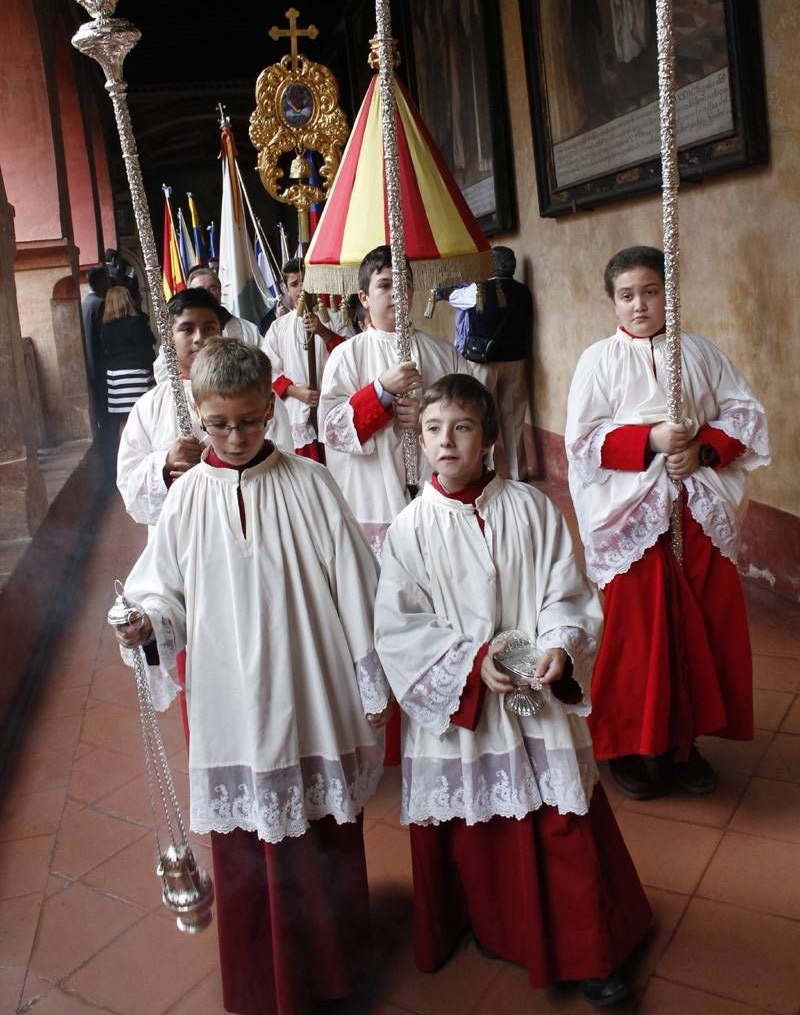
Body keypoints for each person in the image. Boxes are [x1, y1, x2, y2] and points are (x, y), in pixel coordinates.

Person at [114, 338, 392, 1015]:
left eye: (248, 420)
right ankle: (259, 980)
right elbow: (162, 595)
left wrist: (371, 679)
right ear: (197, 417)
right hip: (228, 700)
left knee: (321, 827)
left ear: (270, 408)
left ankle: (331, 971)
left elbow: (360, 587)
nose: (235, 437)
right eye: (218, 424)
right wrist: (145, 624)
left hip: (311, 689)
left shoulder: (312, 484)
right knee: (247, 843)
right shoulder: (183, 503)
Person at [374, 374, 650, 1006]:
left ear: (491, 440)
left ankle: (588, 951)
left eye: (463, 427)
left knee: (560, 823)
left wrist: (558, 644)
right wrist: (471, 664)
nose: (447, 441)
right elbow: (399, 629)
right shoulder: (409, 530)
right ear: (420, 438)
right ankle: (483, 923)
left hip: (536, 700)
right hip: (466, 710)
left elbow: (566, 590)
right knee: (476, 831)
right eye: (434, 428)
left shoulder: (531, 508)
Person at [566, 246, 770, 800]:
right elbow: (582, 444)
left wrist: (703, 451)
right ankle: (630, 745)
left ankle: (684, 745)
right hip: (633, 521)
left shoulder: (699, 353)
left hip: (696, 514)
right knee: (639, 635)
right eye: (627, 295)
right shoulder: (598, 362)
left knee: (699, 626)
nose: (640, 304)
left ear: (668, 294)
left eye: (651, 291)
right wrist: (650, 441)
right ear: (612, 302)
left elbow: (745, 415)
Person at [319, 245, 471, 559]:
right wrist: (380, 391)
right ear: (364, 298)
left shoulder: (443, 353)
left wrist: (427, 419)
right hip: (374, 494)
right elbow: (332, 430)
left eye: (404, 283)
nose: (396, 293)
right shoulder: (348, 355)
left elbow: (473, 417)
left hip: (434, 487)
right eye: (385, 285)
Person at [117, 287, 291, 530]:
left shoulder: (256, 395)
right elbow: (129, 489)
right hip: (179, 534)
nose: (199, 338)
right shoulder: (149, 407)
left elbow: (283, 462)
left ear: (221, 332)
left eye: (209, 328)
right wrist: (166, 464)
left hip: (250, 524)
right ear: (169, 336)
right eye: (187, 329)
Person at [450, 245, 534, 480]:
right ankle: (519, 474)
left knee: (482, 416)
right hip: (516, 360)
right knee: (514, 418)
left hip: (483, 362)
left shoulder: (478, 290)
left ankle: (486, 470)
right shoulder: (523, 291)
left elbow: (452, 298)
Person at [263, 258, 345, 461]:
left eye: (305, 281)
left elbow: (350, 356)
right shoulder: (278, 327)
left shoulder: (335, 319)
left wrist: (325, 333)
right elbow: (267, 370)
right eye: (294, 284)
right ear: (286, 289)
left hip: (332, 405)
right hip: (296, 410)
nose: (302, 288)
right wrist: (297, 392)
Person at [100, 285, 155, 430]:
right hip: (137, 375)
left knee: (124, 422)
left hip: (115, 378)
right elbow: (147, 349)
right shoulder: (135, 323)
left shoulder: (105, 328)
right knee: (144, 417)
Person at [81, 265, 110, 429]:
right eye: (105, 279)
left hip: (91, 366)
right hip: (101, 366)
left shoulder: (86, 303)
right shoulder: (100, 304)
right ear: (99, 282)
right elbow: (103, 338)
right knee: (106, 415)